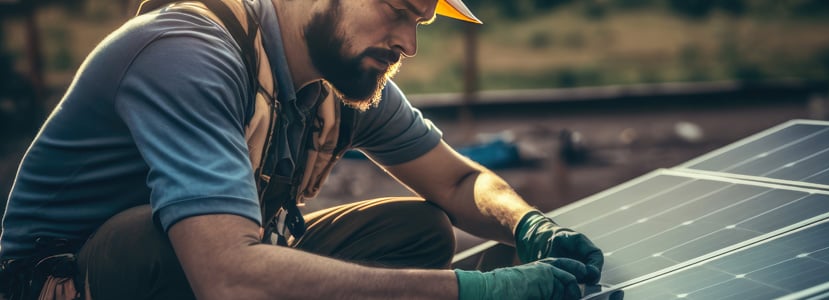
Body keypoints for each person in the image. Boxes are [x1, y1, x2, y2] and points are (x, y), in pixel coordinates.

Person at [0, 0, 604, 299]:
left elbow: (455, 182)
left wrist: (531, 226)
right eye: (397, 12)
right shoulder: (189, 50)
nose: (409, 44)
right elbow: (225, 275)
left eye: (422, 21)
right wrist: (469, 292)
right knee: (154, 240)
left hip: (212, 268)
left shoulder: (341, 83)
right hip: (71, 279)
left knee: (420, 230)